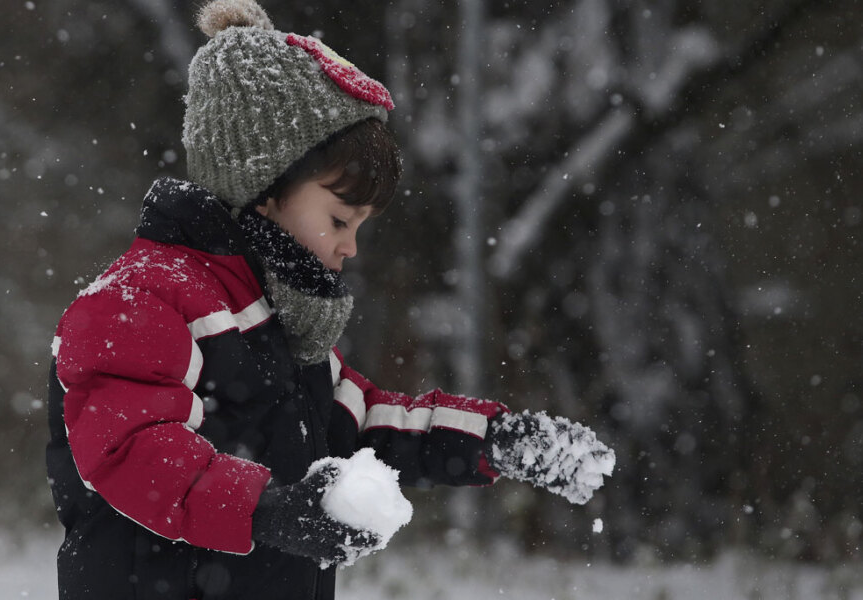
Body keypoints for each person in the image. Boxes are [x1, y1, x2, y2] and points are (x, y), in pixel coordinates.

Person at [44, 1, 615, 599]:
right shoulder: (140, 300)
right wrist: (268, 509)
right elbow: (131, 449)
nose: (351, 247)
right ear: (263, 190)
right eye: (340, 218)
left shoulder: (272, 321)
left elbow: (366, 421)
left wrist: (496, 438)